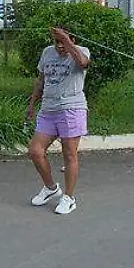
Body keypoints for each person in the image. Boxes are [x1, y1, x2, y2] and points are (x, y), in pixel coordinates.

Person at [27, 26, 92, 216]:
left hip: (72, 108)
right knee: (35, 151)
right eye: (57, 42)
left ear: (73, 40)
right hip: (49, 109)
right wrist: (32, 104)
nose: (60, 46)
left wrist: (67, 41)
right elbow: (41, 80)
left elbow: (83, 63)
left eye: (64, 42)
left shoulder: (81, 52)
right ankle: (51, 188)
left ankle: (69, 198)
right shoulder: (47, 53)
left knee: (69, 155)